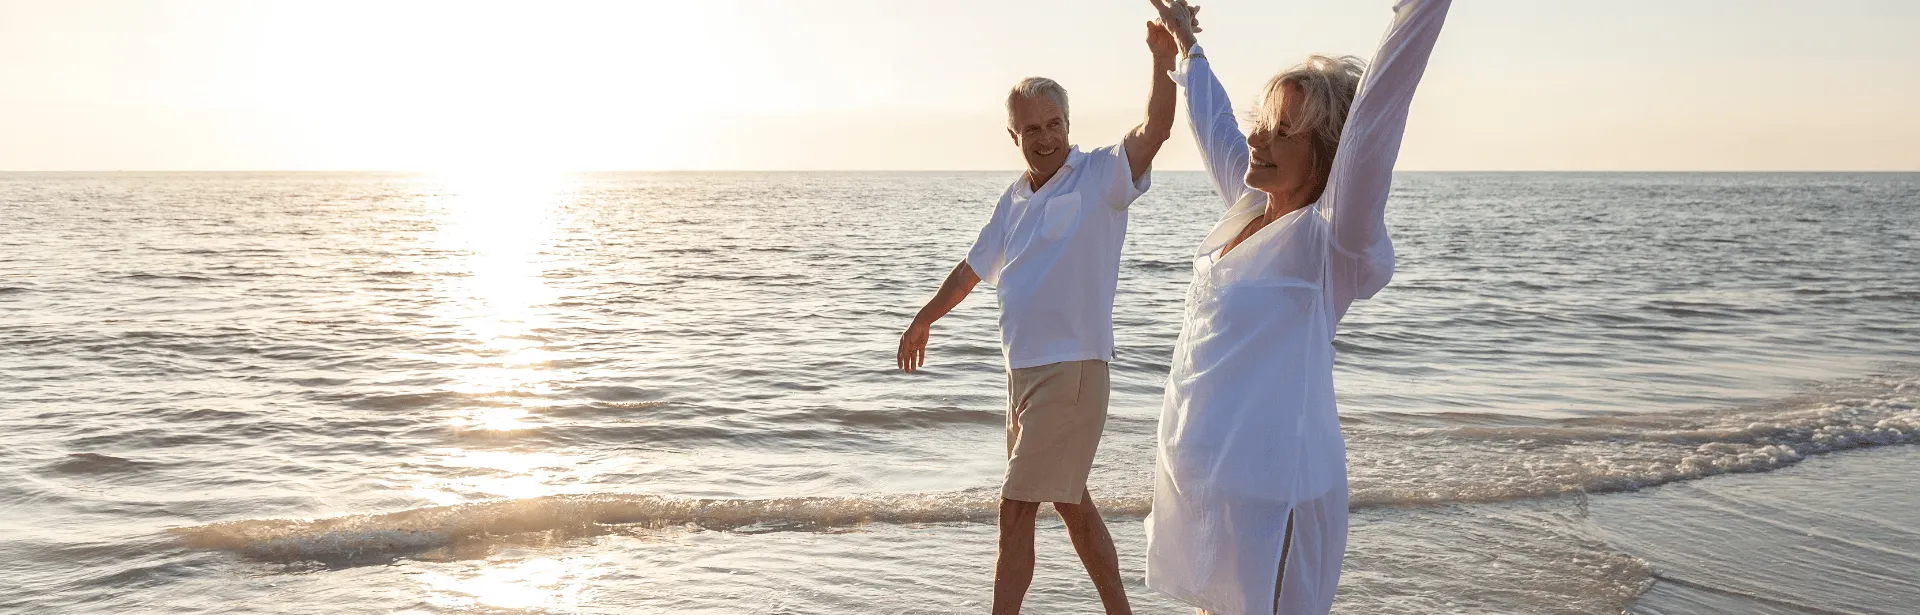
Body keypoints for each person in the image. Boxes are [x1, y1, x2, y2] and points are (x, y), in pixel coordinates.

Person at [1140, 0, 1451, 613]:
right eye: (1265, 121)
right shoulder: (1250, 207)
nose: (1260, 137)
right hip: (1207, 484)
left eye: (1286, 132)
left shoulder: (1328, 239)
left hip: (1277, 492)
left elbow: (1382, 107)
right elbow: (1215, 127)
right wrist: (1187, 47)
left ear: (1329, 154)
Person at [894, 19, 1182, 615]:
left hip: (1072, 371)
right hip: (1022, 377)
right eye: (1031, 128)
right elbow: (972, 269)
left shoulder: (1101, 175)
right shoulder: (1015, 198)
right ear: (1013, 134)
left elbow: (1155, 130)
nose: (1045, 137)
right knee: (1072, 503)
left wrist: (1162, 57)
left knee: (1016, 505)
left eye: (1054, 125)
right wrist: (925, 318)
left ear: (1068, 125)